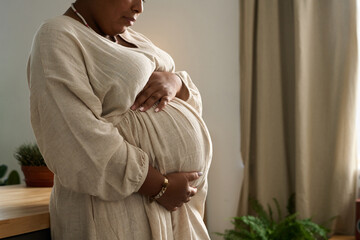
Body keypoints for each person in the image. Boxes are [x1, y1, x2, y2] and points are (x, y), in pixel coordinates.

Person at [27, 0, 212, 239]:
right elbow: (76, 140)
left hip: (175, 210)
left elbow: (191, 106)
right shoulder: (58, 35)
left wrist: (177, 82)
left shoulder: (134, 38)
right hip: (119, 209)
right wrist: (161, 186)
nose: (139, 7)